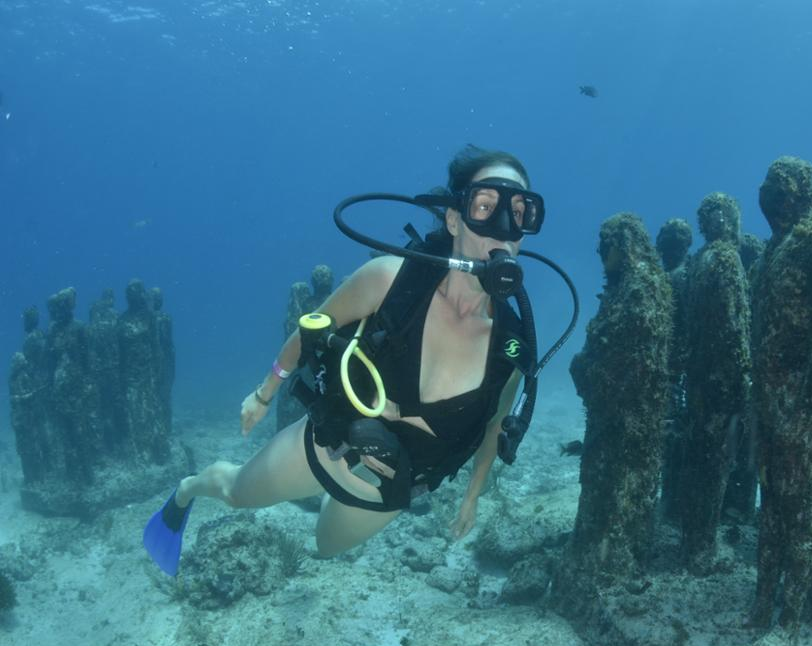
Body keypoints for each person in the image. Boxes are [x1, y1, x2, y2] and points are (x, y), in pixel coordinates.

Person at [143, 146, 545, 576]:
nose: (504, 229)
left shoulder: (511, 347)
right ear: (453, 219)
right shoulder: (389, 279)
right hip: (322, 447)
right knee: (236, 492)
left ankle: (329, 500)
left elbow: (494, 425)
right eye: (485, 207)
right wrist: (263, 394)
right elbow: (311, 328)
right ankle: (187, 490)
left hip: (387, 491)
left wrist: (472, 497)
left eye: (519, 213)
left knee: (326, 546)